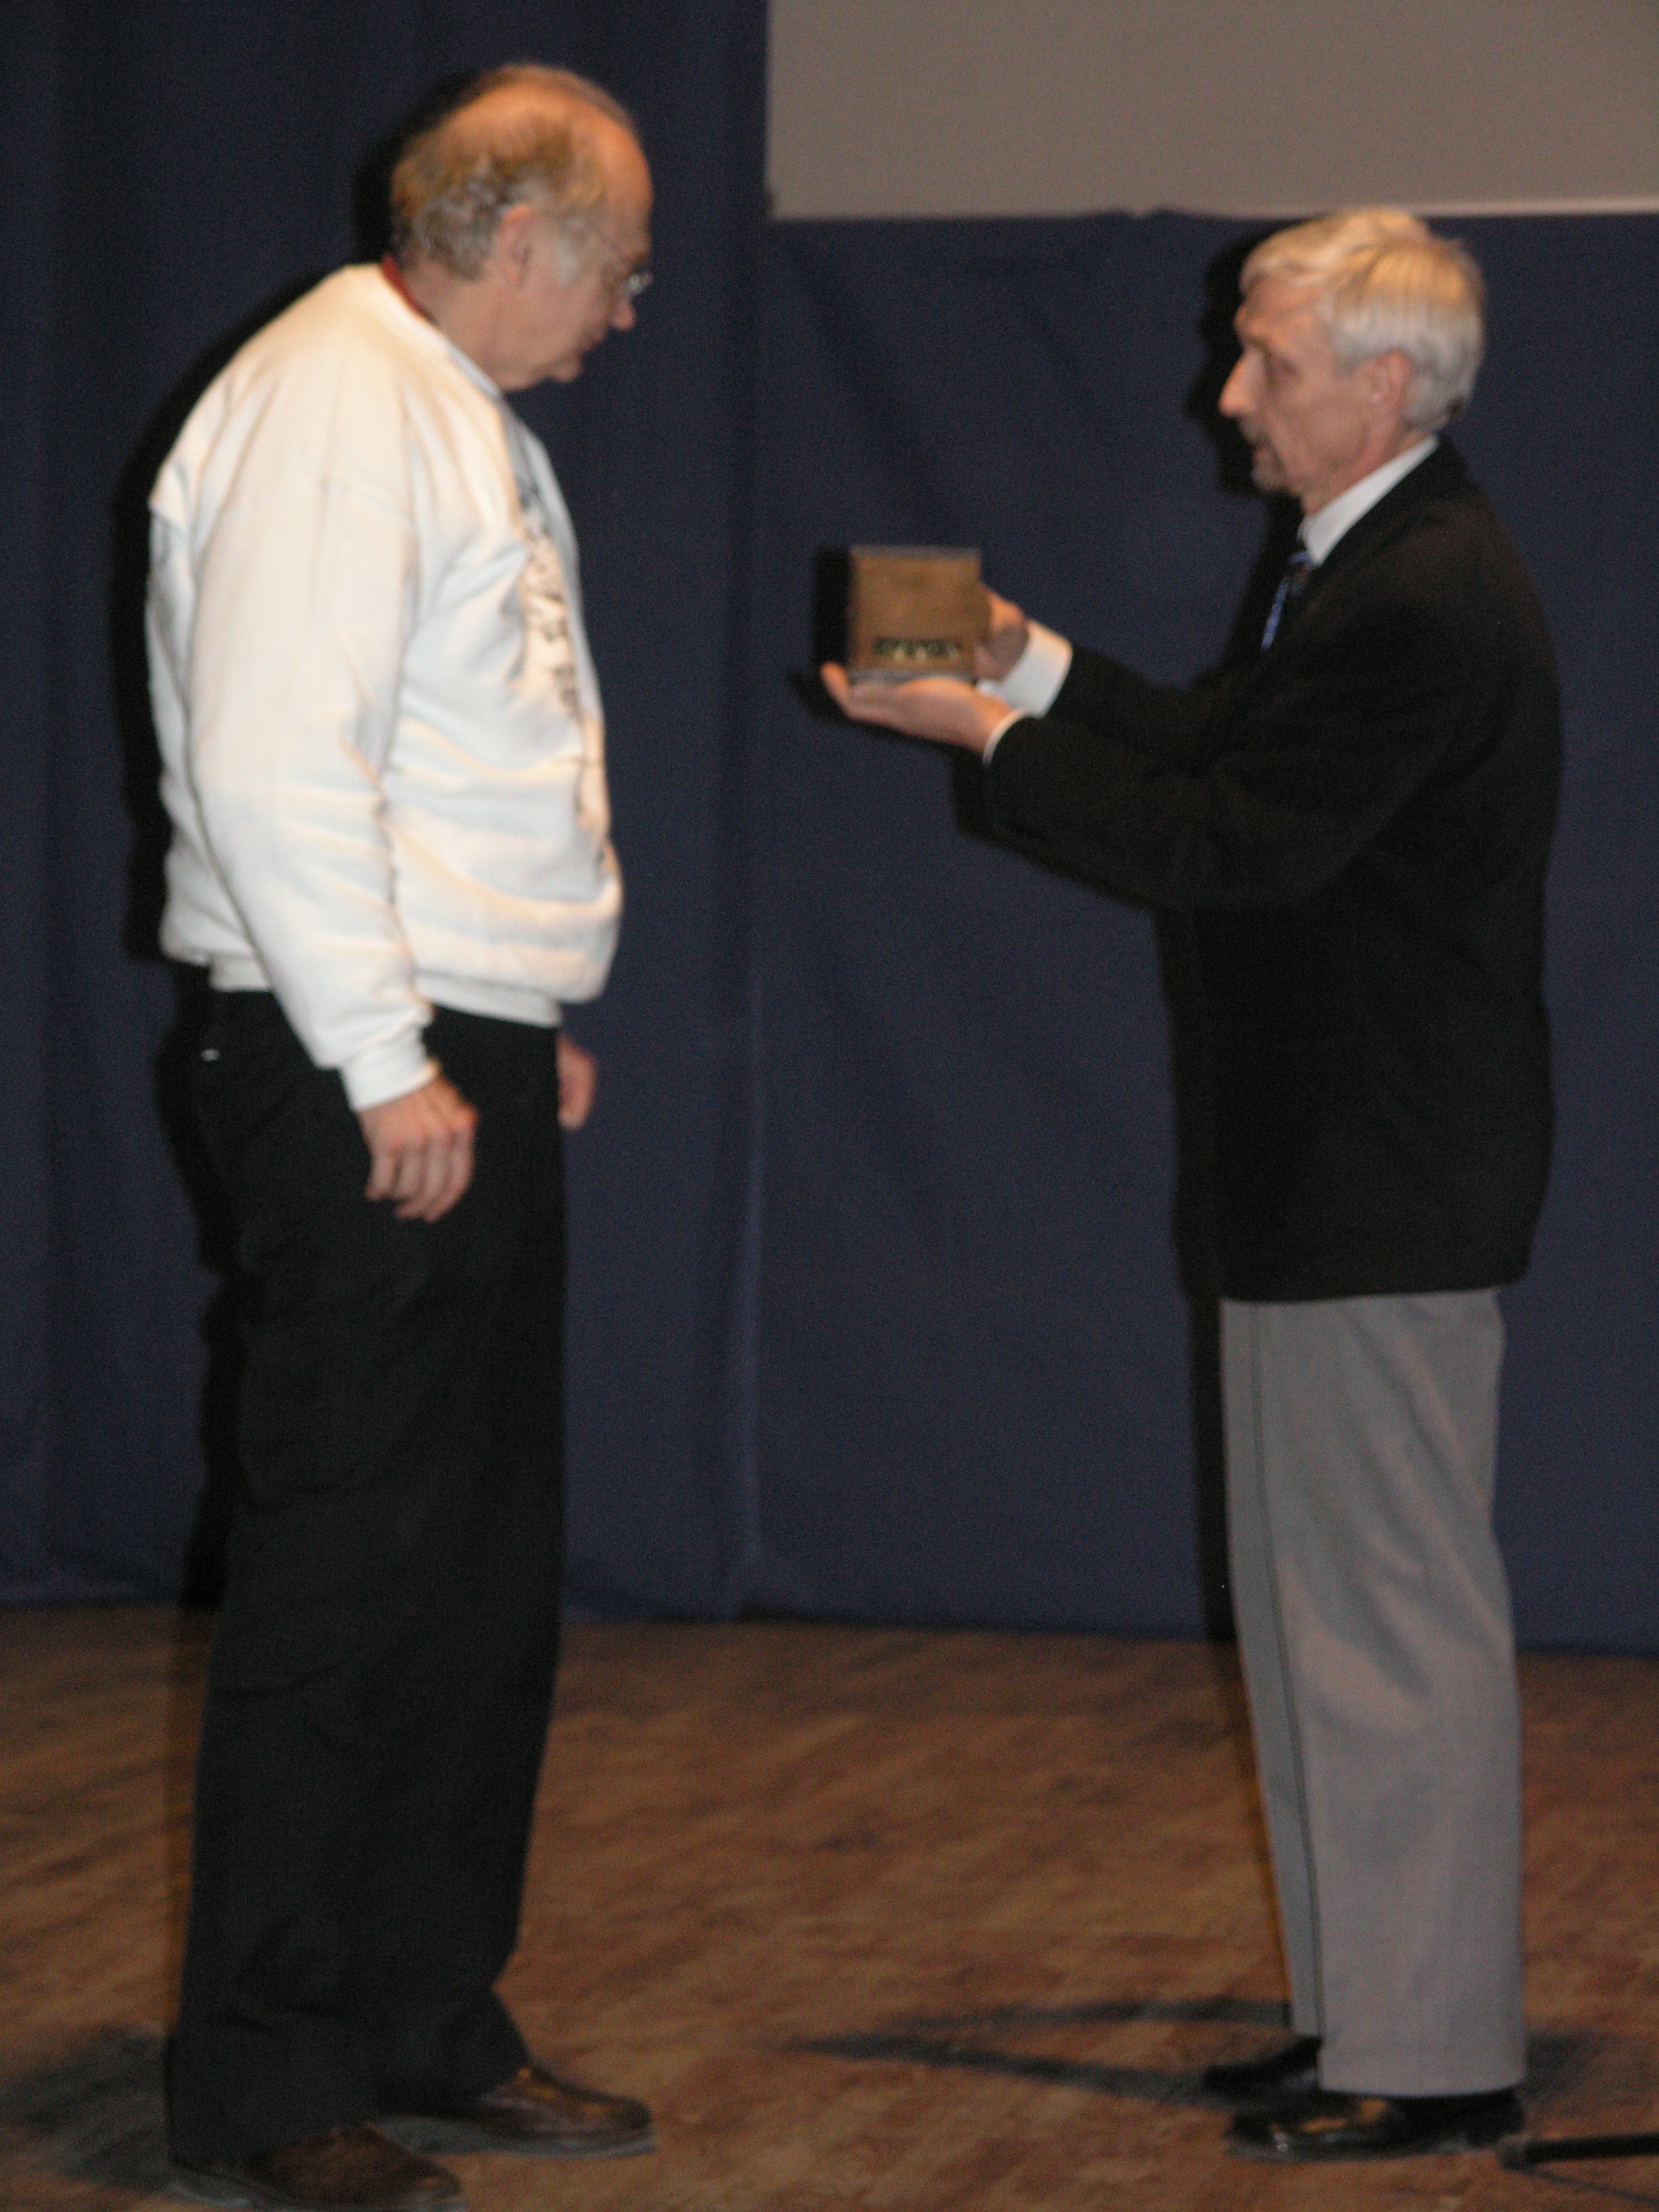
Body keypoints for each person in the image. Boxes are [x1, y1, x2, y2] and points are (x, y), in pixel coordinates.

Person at [824, 209, 1558, 2163]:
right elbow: (1224, 752)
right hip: (1335, 1178)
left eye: (1270, 363)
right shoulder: (1364, 560)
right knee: (1322, 1624)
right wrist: (1025, 660)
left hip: (1382, 1180)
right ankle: (1365, 2019)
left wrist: (984, 733)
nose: (1229, 397)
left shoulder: (1422, 591)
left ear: (1384, 384)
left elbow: (1229, 844)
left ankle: (1436, 2050)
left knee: (1386, 1629)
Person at [149, 64, 657, 2212]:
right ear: (520, 237)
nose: (625, 311)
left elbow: (461, 758)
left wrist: (506, 1009)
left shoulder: (451, 408)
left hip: (452, 1032)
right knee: (349, 1575)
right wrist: (381, 1051)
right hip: (343, 1046)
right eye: (619, 271)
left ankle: (428, 2012)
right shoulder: (338, 398)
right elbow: (278, 759)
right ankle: (269, 2077)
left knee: (472, 1578)